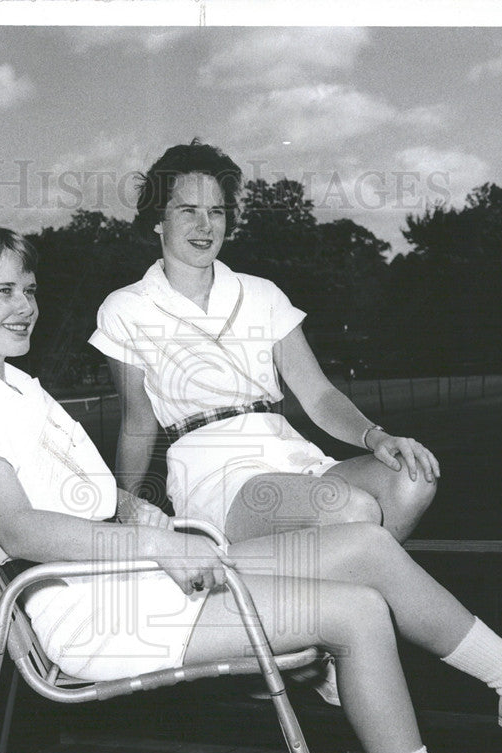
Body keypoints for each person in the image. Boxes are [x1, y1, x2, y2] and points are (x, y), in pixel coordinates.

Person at [0, 222, 502, 753]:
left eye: (29, 289)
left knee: (369, 549)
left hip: (138, 580)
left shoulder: (17, 388)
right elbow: (21, 529)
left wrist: (151, 520)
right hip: (96, 615)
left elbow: (95, 501)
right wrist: (162, 546)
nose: (24, 305)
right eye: (1, 292)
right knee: (357, 612)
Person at [90, 139, 439, 544]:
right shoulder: (126, 307)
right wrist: (126, 508)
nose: (205, 226)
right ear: (157, 220)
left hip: (290, 453)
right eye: (188, 211)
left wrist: (377, 437)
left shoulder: (263, 294)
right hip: (213, 472)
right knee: (351, 509)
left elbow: (319, 396)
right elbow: (138, 421)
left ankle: (337, 595)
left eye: (216, 212)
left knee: (414, 479)